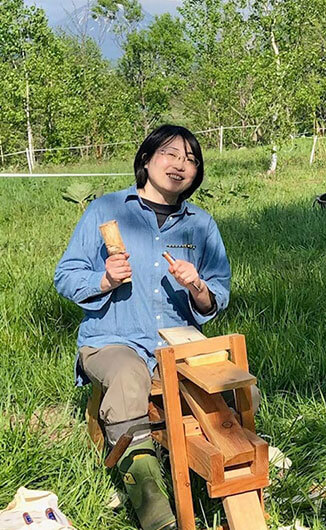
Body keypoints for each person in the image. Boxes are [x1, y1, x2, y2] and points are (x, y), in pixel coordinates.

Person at [55, 125, 231, 530]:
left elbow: (217, 294)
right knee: (129, 376)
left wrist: (198, 286)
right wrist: (104, 280)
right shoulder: (105, 210)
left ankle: (233, 477)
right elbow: (66, 275)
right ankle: (155, 511)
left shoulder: (201, 225)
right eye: (170, 154)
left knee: (236, 385)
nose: (181, 165)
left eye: (191, 159)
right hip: (112, 339)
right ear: (147, 158)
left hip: (177, 342)